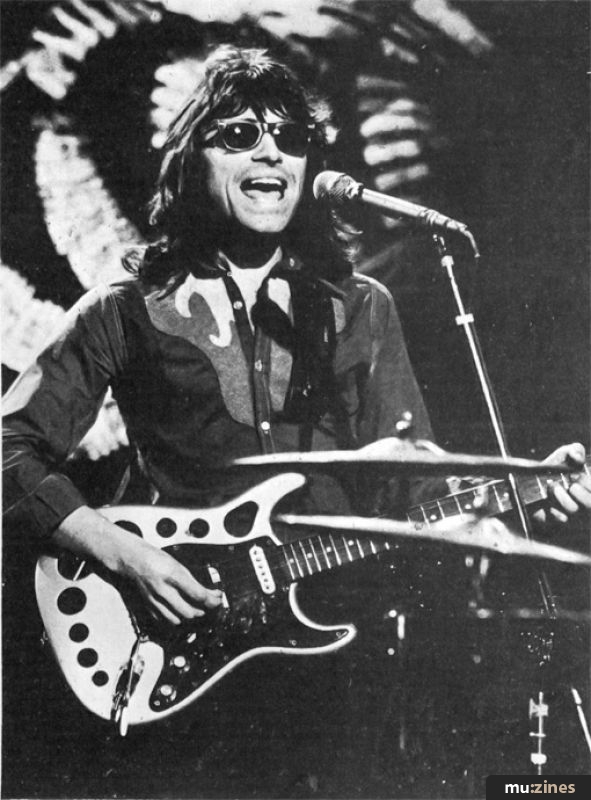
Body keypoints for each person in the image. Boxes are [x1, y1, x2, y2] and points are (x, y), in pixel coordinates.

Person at [3, 45, 590, 798]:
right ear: (190, 160)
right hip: (178, 657)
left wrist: (527, 487)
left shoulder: (360, 307)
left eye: (289, 137)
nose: (270, 152)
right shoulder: (129, 308)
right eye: (239, 134)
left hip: (337, 674)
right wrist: (120, 553)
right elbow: (9, 445)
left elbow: (414, 488)